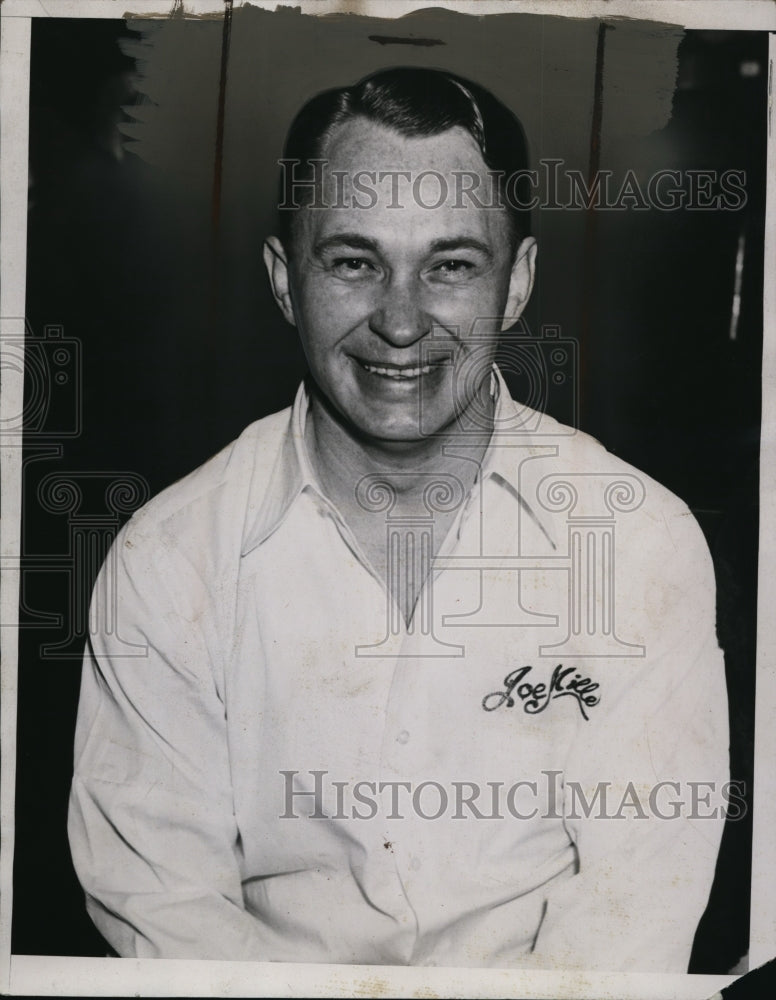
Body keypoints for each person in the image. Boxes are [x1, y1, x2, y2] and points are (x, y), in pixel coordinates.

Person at [68, 67, 729, 970]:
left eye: (452, 264)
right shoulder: (167, 560)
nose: (402, 321)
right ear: (283, 280)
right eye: (353, 261)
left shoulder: (640, 543)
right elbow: (165, 909)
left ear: (521, 281)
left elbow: (636, 912)